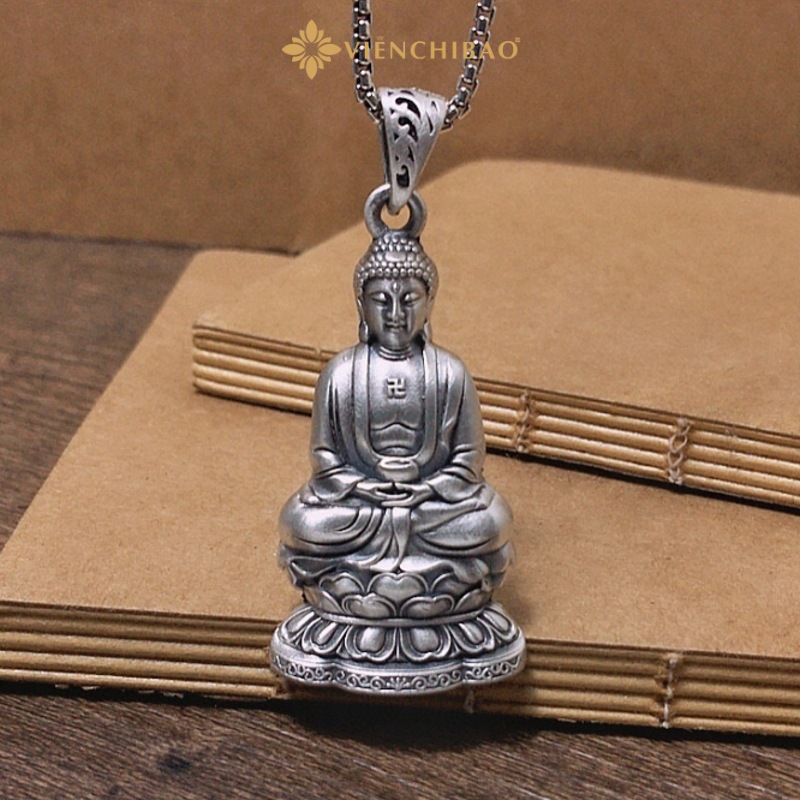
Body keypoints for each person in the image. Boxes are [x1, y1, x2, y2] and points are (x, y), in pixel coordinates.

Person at [279, 230, 514, 625]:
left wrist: (426, 489)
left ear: (430, 302)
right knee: (302, 522)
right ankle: (437, 587)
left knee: (490, 522)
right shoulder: (340, 373)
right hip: (361, 507)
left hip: (432, 506)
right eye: (380, 300)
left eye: (409, 300)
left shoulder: (450, 373)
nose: (395, 314)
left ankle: (358, 588)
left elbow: (469, 458)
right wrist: (364, 488)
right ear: (360, 304)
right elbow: (324, 456)